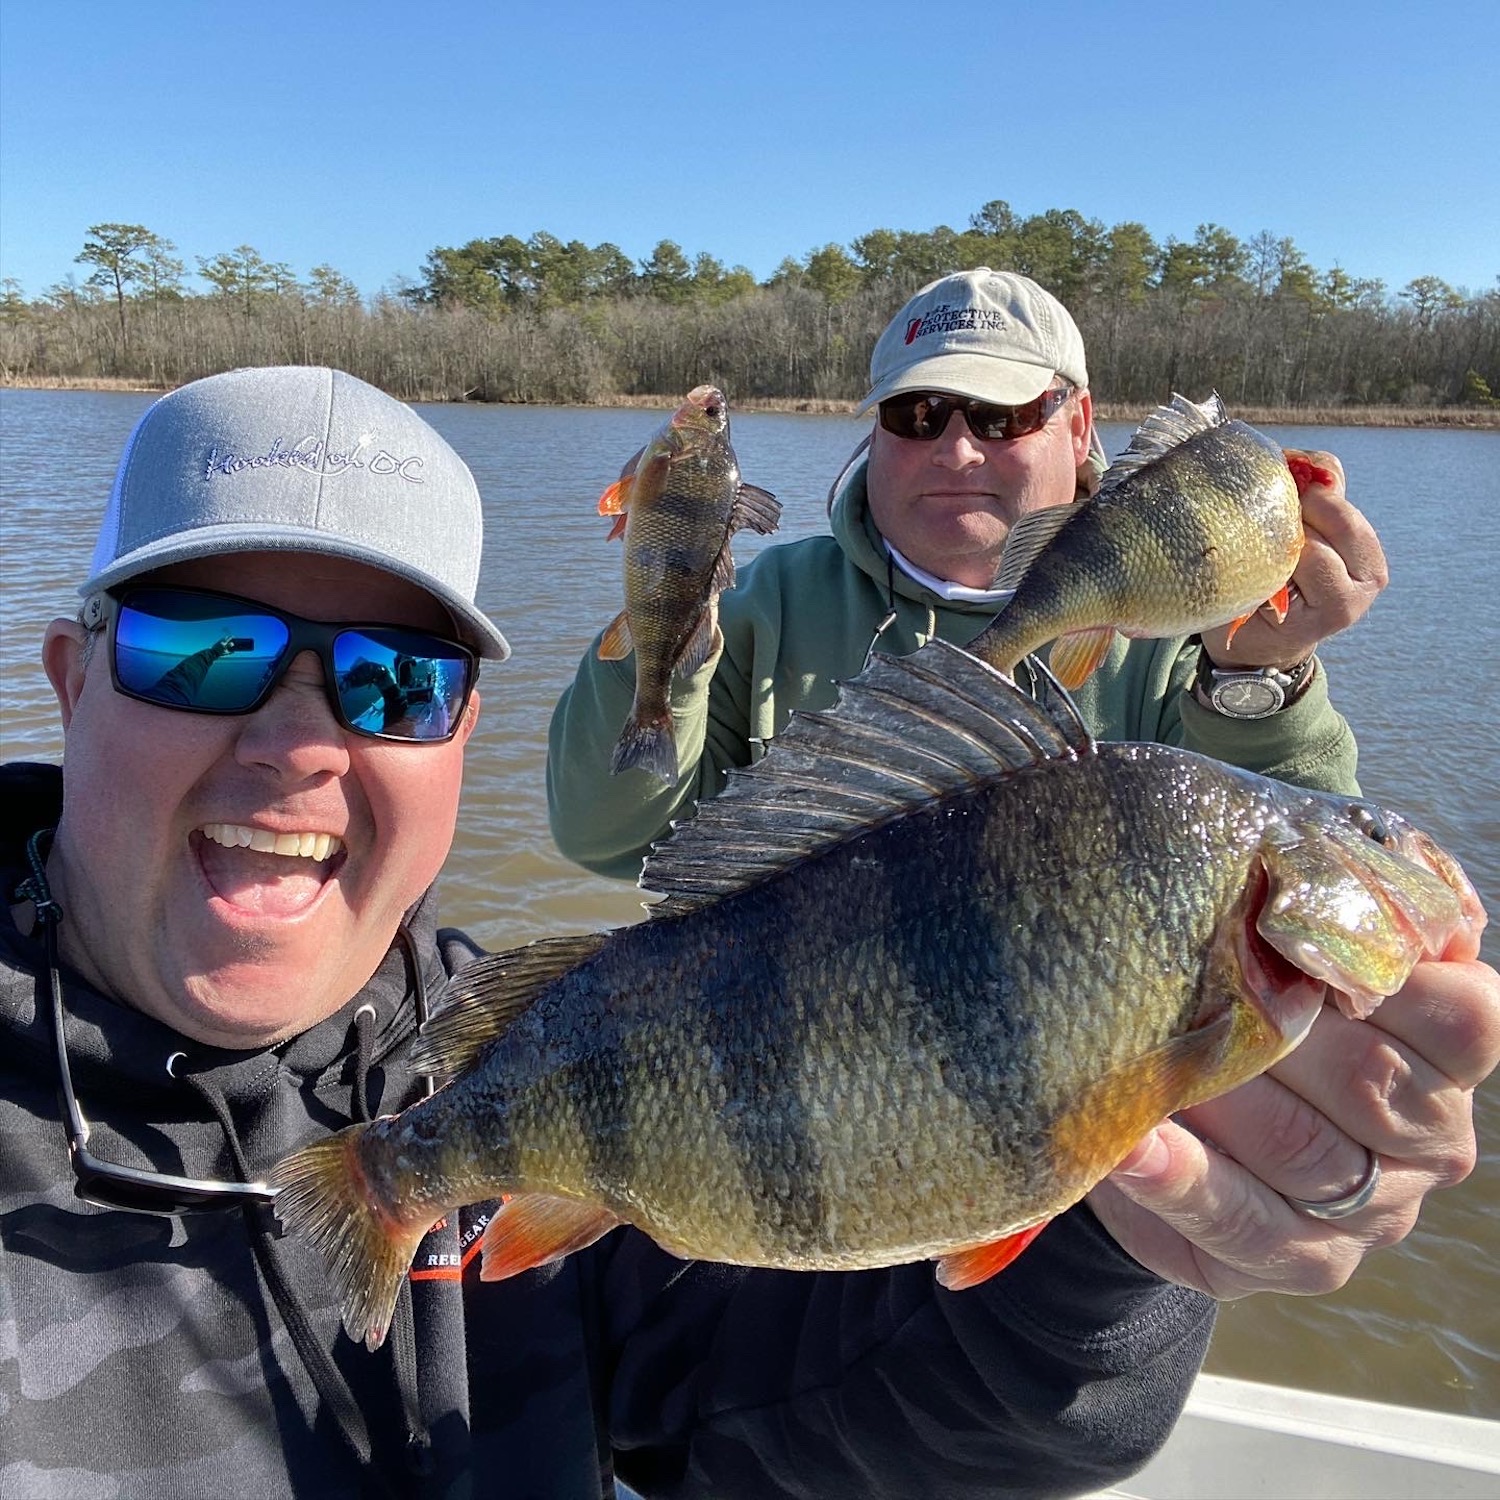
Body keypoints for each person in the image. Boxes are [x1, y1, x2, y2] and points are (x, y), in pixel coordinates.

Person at [546, 274, 1500, 1312]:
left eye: (1003, 415)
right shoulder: (772, 598)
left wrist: (1256, 679)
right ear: (875, 434)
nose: (957, 448)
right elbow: (607, 838)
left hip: (1071, 1202)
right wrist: (669, 631)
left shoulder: (1185, 620)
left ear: (1079, 421)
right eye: (918, 414)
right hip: (761, 1140)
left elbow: (1292, 912)